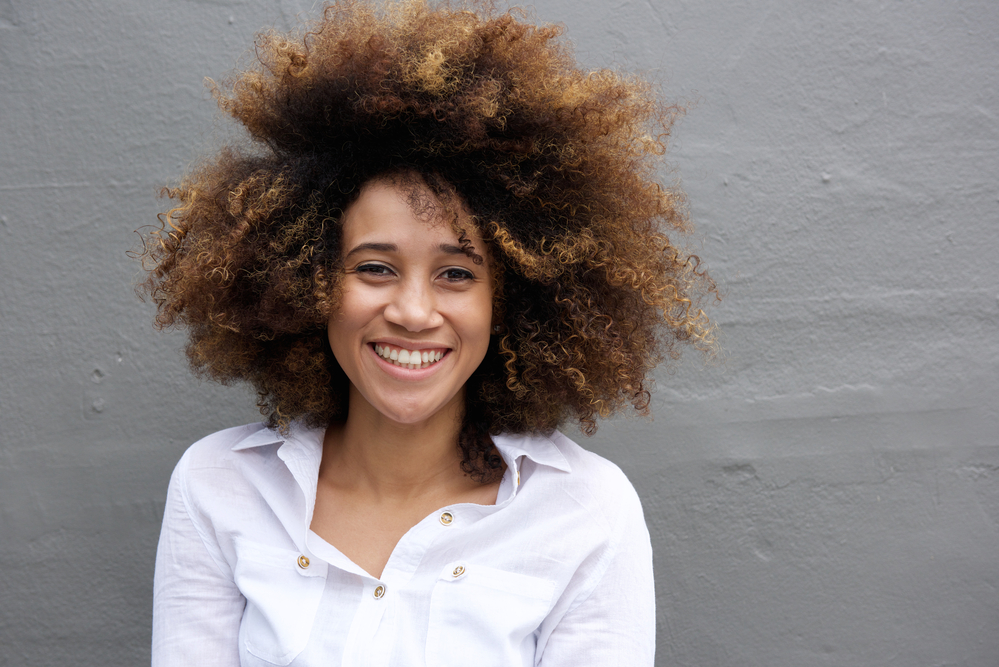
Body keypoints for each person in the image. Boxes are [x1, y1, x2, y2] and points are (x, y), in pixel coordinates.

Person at [140, 1, 716, 665]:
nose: (414, 311)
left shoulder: (586, 511)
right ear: (302, 281)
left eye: (456, 273)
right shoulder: (219, 485)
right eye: (375, 267)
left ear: (513, 299)